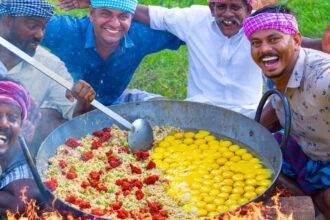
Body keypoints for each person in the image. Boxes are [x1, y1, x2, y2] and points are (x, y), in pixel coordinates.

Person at [243, 4, 330, 218]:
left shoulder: (322, 78)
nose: (264, 49)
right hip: (302, 145)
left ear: (297, 41)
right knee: (250, 158)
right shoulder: (272, 64)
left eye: (274, 39)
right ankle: (310, 202)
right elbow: (278, 103)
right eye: (256, 43)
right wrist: (245, 135)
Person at [41, 0, 184, 106]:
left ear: (132, 18)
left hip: (116, 103)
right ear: (91, 14)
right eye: (106, 14)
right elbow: (24, 18)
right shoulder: (66, 31)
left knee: (167, 110)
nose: (115, 24)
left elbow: (192, 27)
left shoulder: (140, 36)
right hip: (67, 105)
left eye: (123, 16)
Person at [0, 0, 96, 156]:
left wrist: (83, 101)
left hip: (15, 153)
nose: (40, 35)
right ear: (8, 21)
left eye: (43, 27)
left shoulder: (50, 66)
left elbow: (75, 118)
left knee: (50, 122)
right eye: (32, 26)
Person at [0, 76, 40, 215]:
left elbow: (18, 203)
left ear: (21, 126)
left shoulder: (23, 174)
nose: (4, 124)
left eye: (12, 117)